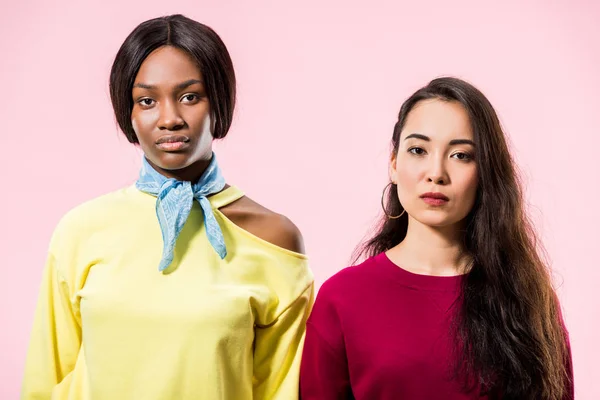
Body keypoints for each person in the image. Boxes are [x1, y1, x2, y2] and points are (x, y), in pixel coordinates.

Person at [22, 14, 313, 400]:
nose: (170, 119)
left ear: (219, 103)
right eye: (147, 101)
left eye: (190, 96)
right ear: (129, 112)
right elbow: (46, 382)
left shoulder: (274, 238)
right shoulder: (81, 230)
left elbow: (282, 389)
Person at [299, 77, 573, 399]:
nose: (436, 173)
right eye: (418, 150)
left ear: (485, 170)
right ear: (394, 164)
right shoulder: (342, 298)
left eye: (461, 155)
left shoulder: (526, 298)